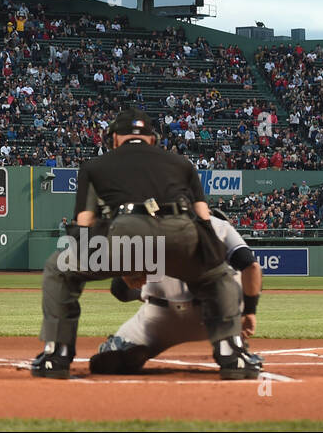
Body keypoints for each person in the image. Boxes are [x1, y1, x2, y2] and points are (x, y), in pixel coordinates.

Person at [33, 106, 259, 380]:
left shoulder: (94, 166)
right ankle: (232, 354)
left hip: (127, 231)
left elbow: (85, 221)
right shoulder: (181, 163)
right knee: (218, 277)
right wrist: (207, 262)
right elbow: (202, 214)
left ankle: (56, 356)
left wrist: (114, 260)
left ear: (115, 139)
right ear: (152, 139)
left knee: (59, 269)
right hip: (180, 231)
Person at [89, 210, 263, 374]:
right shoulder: (218, 225)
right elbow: (252, 267)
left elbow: (119, 290)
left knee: (118, 347)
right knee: (241, 281)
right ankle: (232, 350)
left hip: (159, 319)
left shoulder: (152, 229)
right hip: (214, 313)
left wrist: (145, 291)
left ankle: (124, 347)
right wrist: (249, 312)